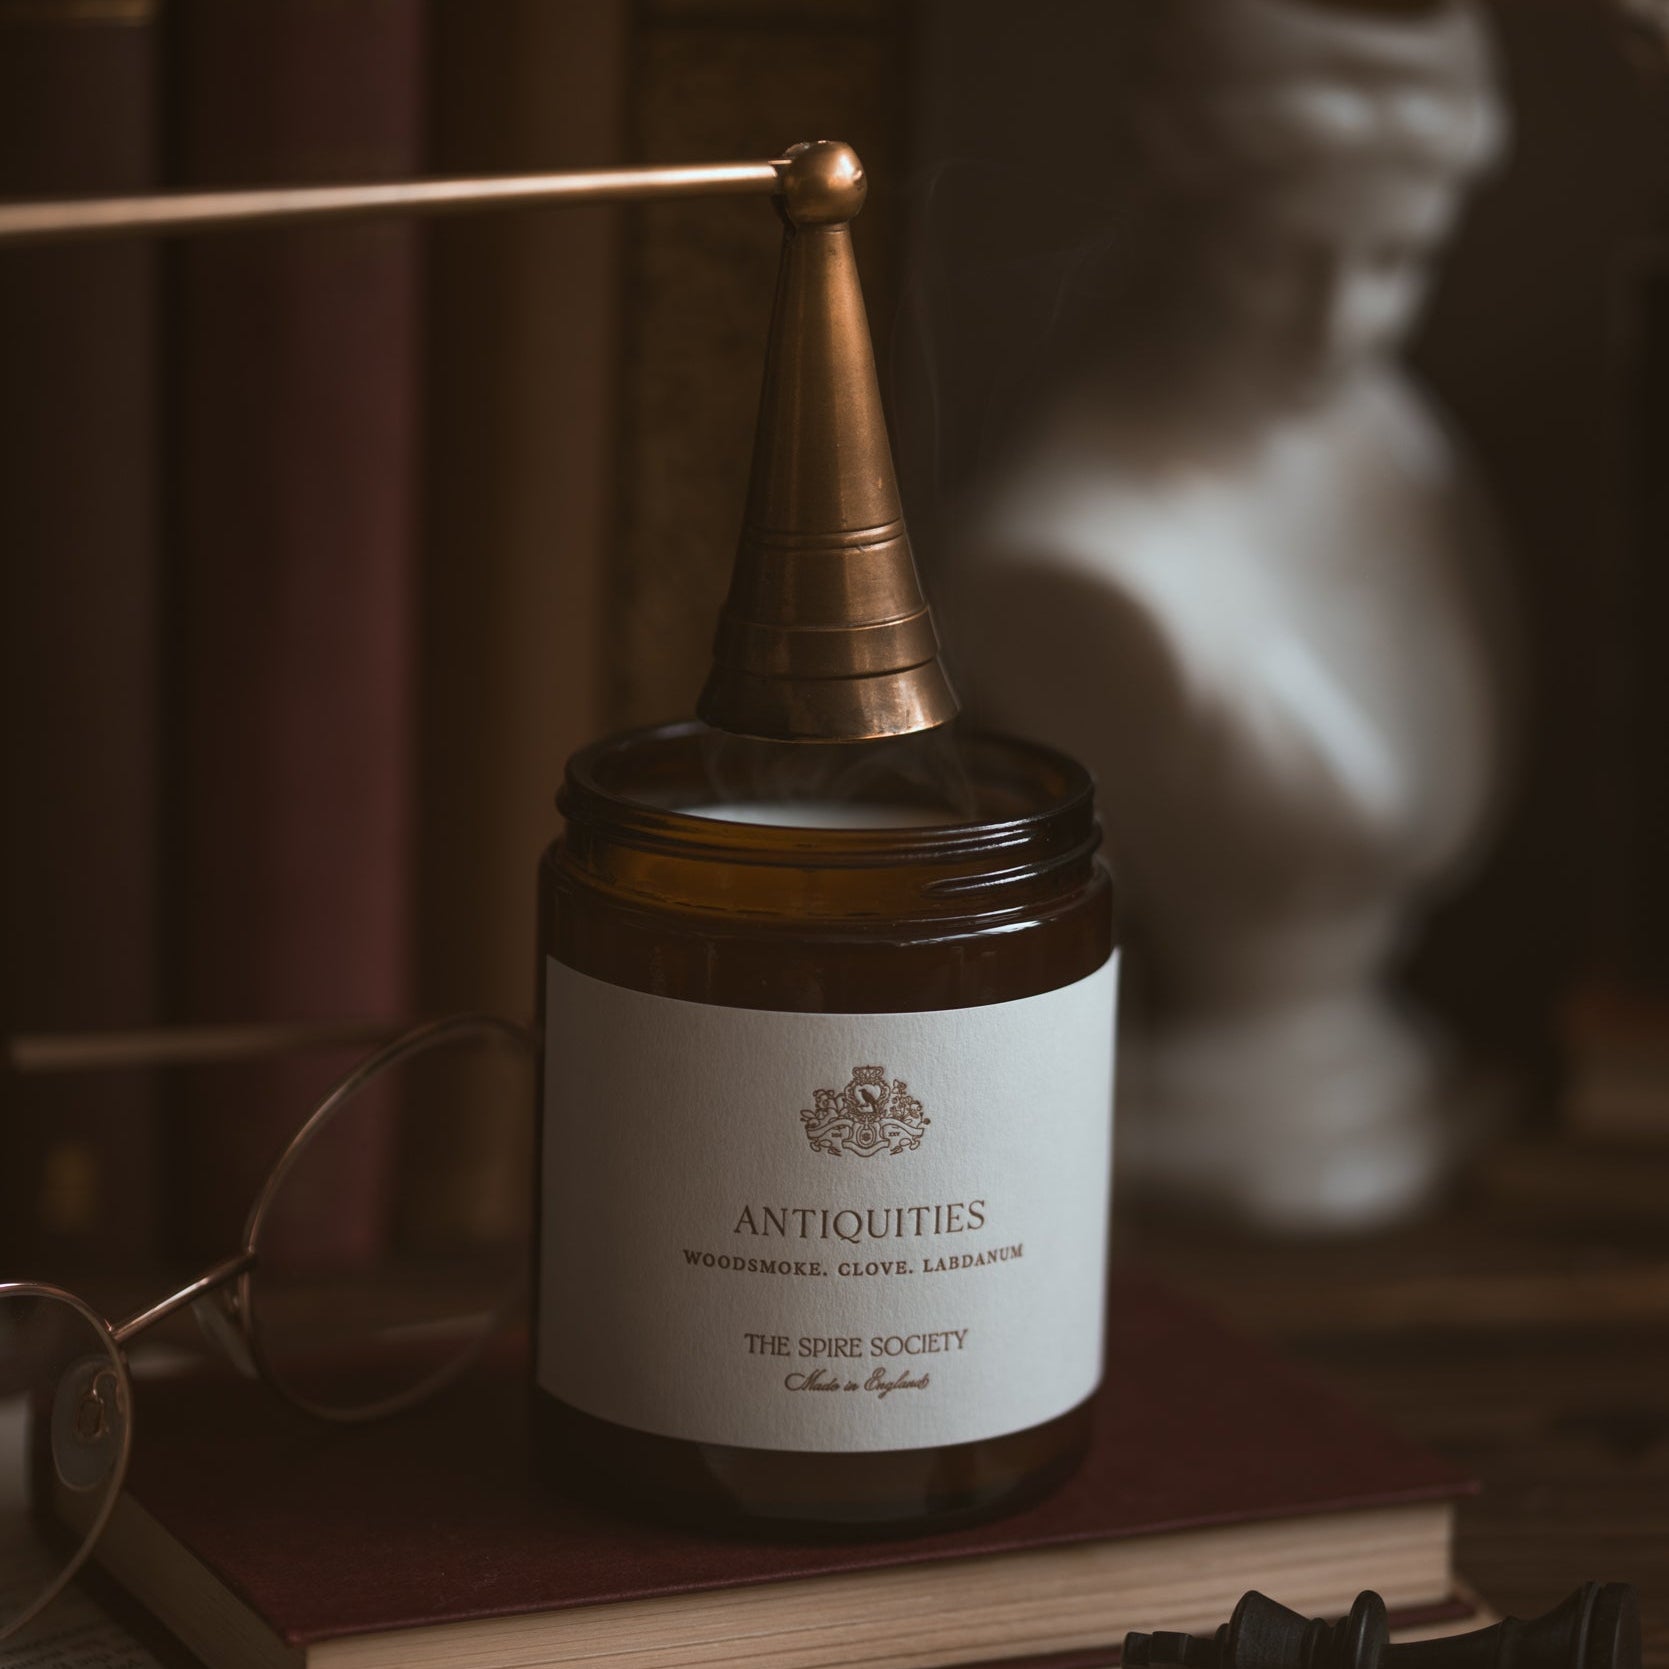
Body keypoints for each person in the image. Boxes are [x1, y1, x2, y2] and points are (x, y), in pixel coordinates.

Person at [941, 0, 1515, 1229]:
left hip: (1387, 1083)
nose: (1341, 320)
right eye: (1278, 256)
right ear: (1185, 213)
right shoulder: (1071, 555)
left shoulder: (1399, 446)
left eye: (1397, 259)